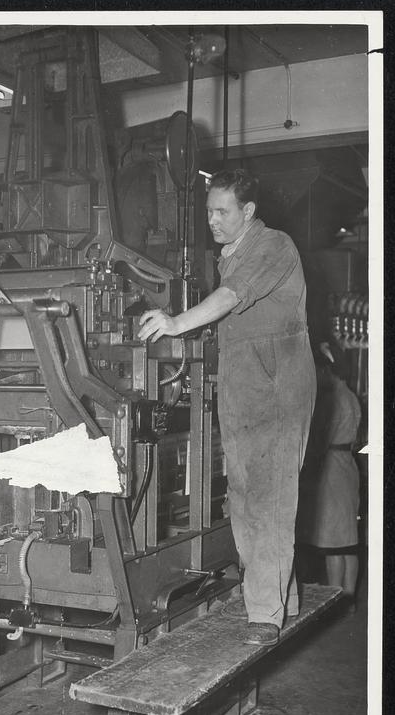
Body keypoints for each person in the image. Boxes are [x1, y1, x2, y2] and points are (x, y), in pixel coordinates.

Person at [138, 169, 316, 646]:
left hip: (278, 383)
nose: (212, 220)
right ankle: (282, 599)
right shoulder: (231, 255)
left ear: (248, 213)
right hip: (243, 382)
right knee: (243, 492)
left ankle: (263, 613)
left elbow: (231, 298)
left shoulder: (274, 245)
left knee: (271, 495)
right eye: (209, 211)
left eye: (222, 212)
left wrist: (177, 323)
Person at [297, 352, 362, 602]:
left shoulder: (335, 399)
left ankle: (337, 600)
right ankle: (349, 597)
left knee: (335, 544)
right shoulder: (351, 397)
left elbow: (321, 441)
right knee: (348, 542)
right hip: (347, 466)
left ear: (326, 372)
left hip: (333, 471)